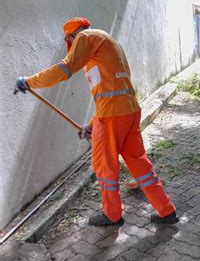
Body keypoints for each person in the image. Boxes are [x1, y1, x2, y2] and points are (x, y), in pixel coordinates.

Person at [14, 17, 179, 227]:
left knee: (105, 167)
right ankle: (166, 211)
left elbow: (65, 69)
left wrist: (29, 81)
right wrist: (91, 126)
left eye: (70, 43)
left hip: (112, 117)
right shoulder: (108, 43)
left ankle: (113, 215)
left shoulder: (85, 37)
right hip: (128, 112)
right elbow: (109, 93)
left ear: (71, 37)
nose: (72, 48)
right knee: (139, 163)